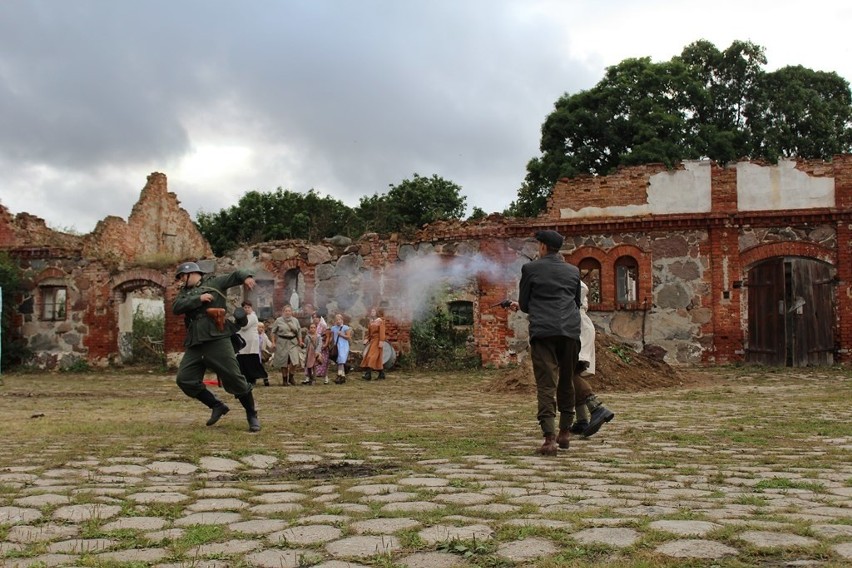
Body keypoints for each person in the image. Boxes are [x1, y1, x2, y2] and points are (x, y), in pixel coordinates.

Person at [509, 230, 580, 455]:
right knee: (567, 379)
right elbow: (576, 301)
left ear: (542, 246)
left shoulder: (530, 269)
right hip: (569, 330)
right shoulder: (573, 271)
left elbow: (525, 304)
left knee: (546, 383)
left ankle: (549, 438)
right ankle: (565, 432)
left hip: (543, 331)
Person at [172, 261, 261, 432]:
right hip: (195, 341)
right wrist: (199, 299)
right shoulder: (184, 293)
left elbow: (235, 275)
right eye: (181, 277)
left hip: (217, 338)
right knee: (185, 379)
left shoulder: (214, 282)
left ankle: (251, 414)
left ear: (193, 273)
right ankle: (217, 405)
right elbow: (176, 307)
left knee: (235, 378)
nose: (182, 279)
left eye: (183, 275)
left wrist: (247, 277)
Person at [571, 280, 615, 437]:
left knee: (568, 372)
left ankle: (596, 407)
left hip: (577, 326)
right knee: (572, 373)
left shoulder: (569, 277)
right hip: (574, 325)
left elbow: (582, 288)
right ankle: (582, 420)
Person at [236, 301, 268, 387]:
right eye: (245, 308)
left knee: (251, 360)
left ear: (251, 308)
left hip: (251, 342)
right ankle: (244, 378)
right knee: (242, 359)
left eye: (248, 307)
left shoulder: (253, 316)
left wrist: (238, 321)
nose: (246, 309)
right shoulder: (241, 316)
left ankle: (252, 378)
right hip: (242, 341)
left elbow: (244, 326)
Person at [270, 304, 304, 386]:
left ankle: (291, 377)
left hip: (293, 342)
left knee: (294, 361)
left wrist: (300, 341)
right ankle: (285, 380)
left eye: (289, 311)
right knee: (283, 362)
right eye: (286, 311)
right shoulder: (278, 320)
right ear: (283, 312)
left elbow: (299, 331)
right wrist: (273, 342)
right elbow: (273, 332)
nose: (287, 312)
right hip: (282, 342)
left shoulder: (295, 320)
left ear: (291, 312)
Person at [360, 307, 386, 380]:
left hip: (377, 341)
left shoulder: (380, 321)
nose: (372, 312)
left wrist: (381, 341)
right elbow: (369, 333)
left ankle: (368, 374)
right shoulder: (371, 322)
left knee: (371, 357)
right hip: (372, 341)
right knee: (376, 358)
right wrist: (366, 339)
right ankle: (381, 374)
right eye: (371, 311)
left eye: (374, 311)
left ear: (377, 312)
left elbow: (382, 332)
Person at [329, 312, 352, 384]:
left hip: (344, 346)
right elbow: (332, 338)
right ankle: (342, 377)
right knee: (339, 361)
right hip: (337, 346)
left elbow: (348, 337)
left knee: (341, 361)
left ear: (342, 320)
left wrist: (342, 334)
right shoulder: (333, 328)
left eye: (339, 319)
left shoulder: (345, 328)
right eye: (337, 320)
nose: (338, 321)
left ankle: (339, 376)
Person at [312, 309, 331, 384]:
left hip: (322, 346)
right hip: (315, 346)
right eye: (313, 317)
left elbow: (328, 336)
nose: (314, 319)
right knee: (313, 362)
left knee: (323, 362)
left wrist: (325, 345)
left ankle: (326, 378)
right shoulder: (313, 326)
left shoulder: (323, 326)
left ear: (319, 318)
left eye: (315, 317)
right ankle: (313, 378)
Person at [257, 321, 272, 386]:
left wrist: (272, 345)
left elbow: (268, 343)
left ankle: (265, 379)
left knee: (264, 367)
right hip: (255, 353)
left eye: (262, 327)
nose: (261, 328)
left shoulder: (264, 335)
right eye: (260, 327)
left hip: (262, 353)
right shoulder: (254, 335)